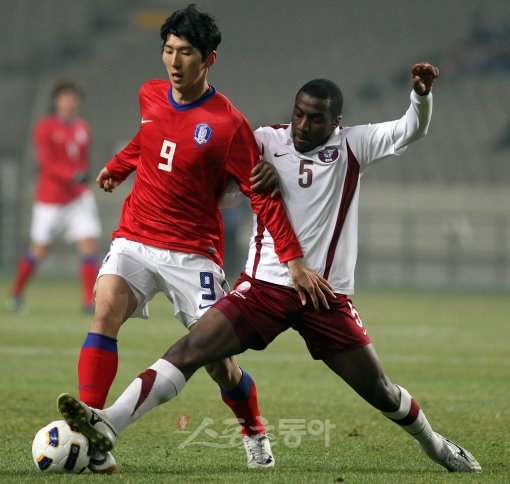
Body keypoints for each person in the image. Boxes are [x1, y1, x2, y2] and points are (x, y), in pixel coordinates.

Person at [57, 62, 481, 473]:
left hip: (325, 298)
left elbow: (411, 129)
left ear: (336, 122)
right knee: (188, 352)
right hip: (262, 289)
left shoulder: (354, 145)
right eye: (298, 114)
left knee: (381, 391)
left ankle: (436, 445)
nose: (303, 125)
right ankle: (109, 423)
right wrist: (137, 169)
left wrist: (421, 96)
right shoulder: (263, 141)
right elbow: (216, 176)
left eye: (315, 119)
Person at [60, 4, 331, 474]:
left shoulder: (228, 125)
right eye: (168, 50)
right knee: (105, 309)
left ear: (209, 59)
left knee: (218, 363)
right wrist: (118, 168)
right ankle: (94, 434)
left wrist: (292, 260)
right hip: (136, 236)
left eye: (186, 52)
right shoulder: (150, 94)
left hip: (193, 254)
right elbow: (147, 141)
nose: (174, 61)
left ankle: (254, 432)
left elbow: (262, 197)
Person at [9, 79, 101, 314]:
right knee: (39, 248)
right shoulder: (45, 127)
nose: (70, 101)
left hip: (77, 197)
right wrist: (72, 175)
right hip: (51, 199)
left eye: (74, 97)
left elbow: (83, 161)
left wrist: (83, 179)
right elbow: (46, 162)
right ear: (56, 101)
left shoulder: (83, 128)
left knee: (89, 243)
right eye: (65, 96)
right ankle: (16, 293)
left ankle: (88, 301)